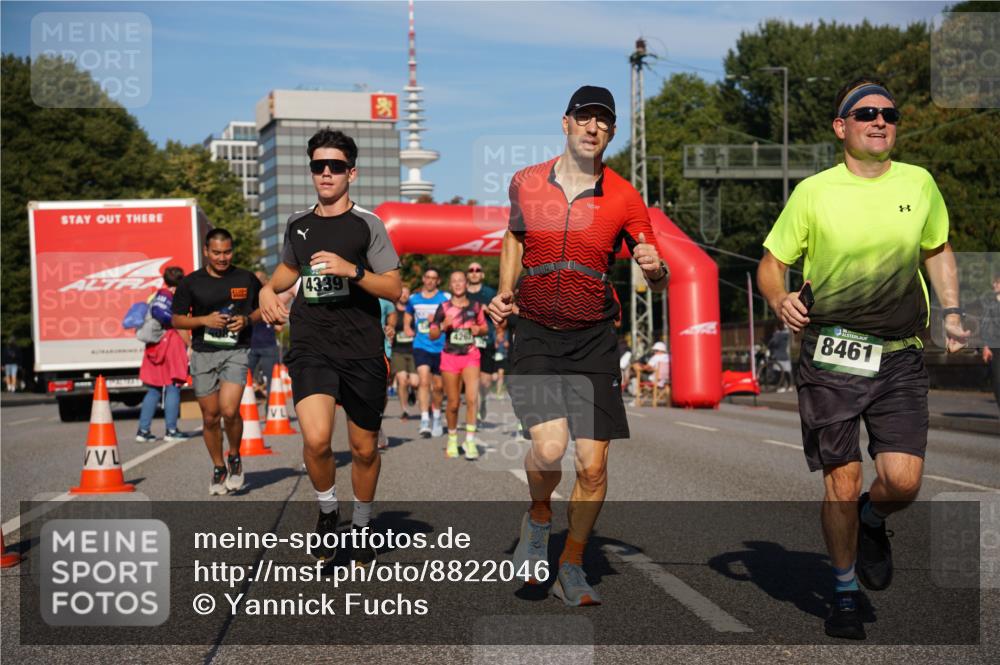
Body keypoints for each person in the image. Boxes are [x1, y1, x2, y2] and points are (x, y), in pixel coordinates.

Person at [757, 77, 970, 640]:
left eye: (889, 114)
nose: (880, 121)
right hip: (832, 353)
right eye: (866, 113)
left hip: (899, 355)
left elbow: (938, 249)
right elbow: (772, 263)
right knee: (841, 482)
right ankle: (845, 591)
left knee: (902, 481)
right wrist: (779, 298)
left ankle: (874, 521)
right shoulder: (814, 193)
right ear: (841, 126)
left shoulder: (920, 184)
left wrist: (950, 311)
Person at [487, 85, 669, 606]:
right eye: (584, 119)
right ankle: (539, 518)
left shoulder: (625, 196)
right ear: (565, 124)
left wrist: (655, 270)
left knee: (592, 466)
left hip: (593, 338)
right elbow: (515, 238)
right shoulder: (526, 181)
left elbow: (655, 267)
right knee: (548, 448)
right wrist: (505, 291)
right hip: (538, 331)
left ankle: (572, 563)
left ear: (611, 133)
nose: (593, 128)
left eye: (603, 123)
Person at [259, 128, 401, 566]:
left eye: (335, 166)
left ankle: (361, 523)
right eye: (318, 165)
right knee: (318, 440)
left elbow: (394, 288)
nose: (326, 173)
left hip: (360, 347)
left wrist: (352, 270)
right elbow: (286, 271)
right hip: (311, 343)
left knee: (363, 449)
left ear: (350, 173)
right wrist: (267, 289)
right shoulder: (298, 225)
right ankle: (326, 511)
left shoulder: (368, 224)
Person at [172, 229, 262, 495]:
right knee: (210, 417)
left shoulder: (245, 278)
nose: (223, 258)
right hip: (203, 352)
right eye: (217, 253)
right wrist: (203, 321)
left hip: (236, 350)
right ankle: (218, 466)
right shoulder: (191, 283)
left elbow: (261, 308)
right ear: (206, 252)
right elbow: (177, 319)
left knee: (230, 410)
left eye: (227, 252)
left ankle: (234, 456)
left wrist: (247, 320)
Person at [429, 271, 488, 459]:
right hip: (450, 357)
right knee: (453, 403)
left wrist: (478, 329)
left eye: (460, 280)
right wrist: (442, 326)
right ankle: (452, 438)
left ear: (466, 283)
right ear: (450, 285)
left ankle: (470, 441)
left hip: (471, 356)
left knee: (472, 399)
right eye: (453, 281)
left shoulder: (475, 306)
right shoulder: (444, 307)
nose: (457, 284)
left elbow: (485, 327)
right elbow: (432, 334)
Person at [136, 266, 191, 443]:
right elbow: (177, 324)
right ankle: (171, 430)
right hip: (171, 344)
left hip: (154, 345)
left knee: (153, 389)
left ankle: (143, 431)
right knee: (173, 386)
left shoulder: (155, 297)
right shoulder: (174, 297)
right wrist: (189, 345)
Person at [404, 267, 449, 438]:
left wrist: (438, 323)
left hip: (441, 346)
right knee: (423, 381)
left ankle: (436, 416)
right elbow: (408, 315)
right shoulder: (413, 299)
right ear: (423, 279)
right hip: (421, 345)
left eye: (434, 278)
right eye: (427, 277)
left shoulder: (445, 298)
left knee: (438, 386)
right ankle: (424, 419)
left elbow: (451, 318)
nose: (430, 280)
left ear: (438, 281)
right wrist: (408, 327)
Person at [466, 261, 498, 424]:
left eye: (477, 270)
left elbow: (500, 317)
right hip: (467, 342)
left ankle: (482, 400)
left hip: (486, 340)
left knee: (485, 381)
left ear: (482, 274)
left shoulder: (490, 292)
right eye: (471, 270)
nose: (474, 272)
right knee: (472, 379)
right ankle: (474, 410)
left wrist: (489, 311)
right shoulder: (462, 293)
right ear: (467, 274)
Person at [248, 271, 282, 400]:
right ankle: (270, 414)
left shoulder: (248, 298)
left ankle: (244, 414)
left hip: (253, 345)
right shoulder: (272, 297)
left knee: (244, 379)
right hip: (266, 344)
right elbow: (279, 325)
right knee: (271, 381)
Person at [390, 287, 420, 420]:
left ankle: (412, 391)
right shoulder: (392, 311)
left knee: (414, 382)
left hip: (413, 350)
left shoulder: (413, 310)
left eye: (407, 293)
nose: (404, 295)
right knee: (402, 380)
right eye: (402, 293)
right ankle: (404, 409)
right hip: (398, 351)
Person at [980, 272, 1000, 412]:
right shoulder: (991, 304)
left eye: (997, 283)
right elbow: (985, 325)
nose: (994, 285)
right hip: (996, 347)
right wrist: (986, 346)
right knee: (997, 380)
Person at [378, 296, 397, 450]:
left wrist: (390, 327)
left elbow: (392, 316)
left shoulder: (384, 297)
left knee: (380, 392)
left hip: (381, 350)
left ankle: (376, 423)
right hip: (354, 349)